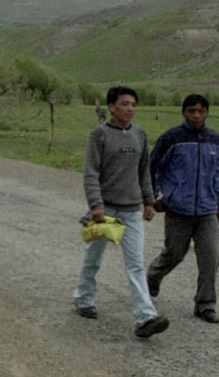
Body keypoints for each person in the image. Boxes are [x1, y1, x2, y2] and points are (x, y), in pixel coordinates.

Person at [73, 85, 170, 338]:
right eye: (125, 104)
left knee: (135, 265)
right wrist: (96, 206)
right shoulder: (99, 136)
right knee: (93, 258)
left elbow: (144, 172)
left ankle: (145, 317)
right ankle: (84, 298)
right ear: (112, 107)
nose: (130, 109)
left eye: (133, 104)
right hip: (105, 211)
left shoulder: (139, 135)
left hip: (132, 210)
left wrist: (149, 202)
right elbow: (91, 173)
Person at [146, 94, 219, 324]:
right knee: (174, 253)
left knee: (211, 256)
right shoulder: (172, 138)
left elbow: (217, 175)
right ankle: (153, 277)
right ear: (184, 113)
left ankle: (205, 304)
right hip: (178, 209)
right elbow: (153, 167)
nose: (196, 115)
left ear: (208, 113)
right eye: (192, 111)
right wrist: (153, 198)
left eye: (201, 111)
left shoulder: (215, 140)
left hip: (207, 210)